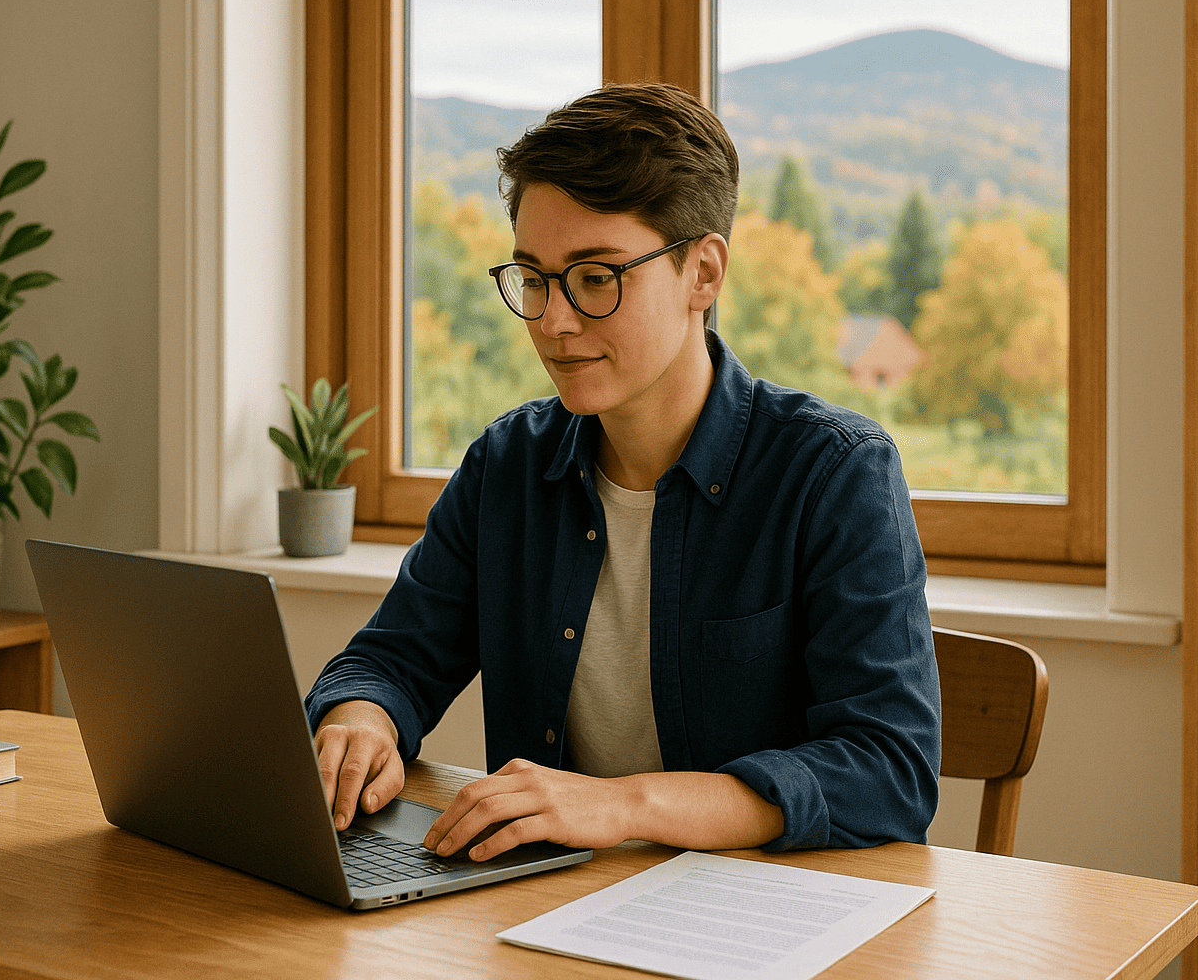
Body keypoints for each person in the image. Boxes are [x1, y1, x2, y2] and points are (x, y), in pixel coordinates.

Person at [306, 81, 940, 862]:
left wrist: (623, 804)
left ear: (703, 274)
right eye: (534, 278)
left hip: (754, 926)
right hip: (538, 908)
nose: (553, 321)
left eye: (596, 277)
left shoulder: (835, 474)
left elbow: (889, 773)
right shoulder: (507, 465)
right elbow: (391, 658)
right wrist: (360, 718)